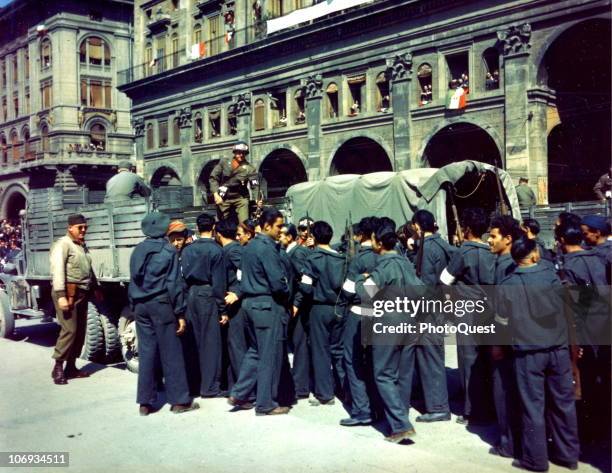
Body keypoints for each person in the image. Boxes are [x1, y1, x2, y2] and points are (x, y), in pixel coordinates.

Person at [495, 236, 579, 472]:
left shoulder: (506, 285)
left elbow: (501, 322)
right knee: (563, 404)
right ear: (533, 255)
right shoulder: (551, 277)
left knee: (532, 407)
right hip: (558, 350)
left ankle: (535, 460)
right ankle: (568, 456)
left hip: (528, 354)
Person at [355, 224, 424, 442]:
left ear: (379, 243)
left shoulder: (383, 267)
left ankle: (401, 425)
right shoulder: (405, 263)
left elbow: (367, 294)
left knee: (383, 374)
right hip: (410, 320)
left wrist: (360, 280)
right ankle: (399, 417)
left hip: (389, 321)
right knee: (403, 374)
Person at [128, 212, 199, 415]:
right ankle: (179, 401)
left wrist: (134, 304)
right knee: (172, 352)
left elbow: (134, 279)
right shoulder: (168, 251)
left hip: (141, 306)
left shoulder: (137, 250)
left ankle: (145, 402)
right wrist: (180, 313)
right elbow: (174, 284)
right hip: (161, 305)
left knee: (147, 352)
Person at [229, 208, 291, 415]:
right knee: (269, 355)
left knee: (255, 352)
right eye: (279, 226)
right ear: (266, 226)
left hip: (249, 305)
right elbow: (277, 281)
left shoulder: (249, 246)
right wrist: (287, 290)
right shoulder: (267, 247)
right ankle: (265, 403)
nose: (281, 230)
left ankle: (239, 392)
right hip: (266, 305)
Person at [440, 207, 496, 425]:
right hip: (489, 308)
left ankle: (471, 409)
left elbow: (445, 279)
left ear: (468, 229)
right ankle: (490, 405)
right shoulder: (491, 250)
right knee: (487, 358)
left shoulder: (463, 252)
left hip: (466, 310)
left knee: (468, 358)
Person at [293, 221, 345, 406]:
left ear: (313, 236)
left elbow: (306, 287)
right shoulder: (341, 258)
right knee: (338, 350)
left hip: (319, 308)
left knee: (321, 351)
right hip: (339, 307)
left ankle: (325, 394)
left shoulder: (312, 258)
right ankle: (344, 388)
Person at [409, 210, 453, 423]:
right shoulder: (441, 243)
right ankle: (434, 401)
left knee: (430, 357)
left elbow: (424, 285)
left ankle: (438, 407)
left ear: (418, 226)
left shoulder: (427, 249)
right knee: (433, 355)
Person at [487, 215, 522, 458]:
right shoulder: (512, 260)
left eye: (493, 236)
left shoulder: (505, 265)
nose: (489, 240)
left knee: (504, 390)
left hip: (507, 338)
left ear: (508, 239)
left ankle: (508, 443)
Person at [339, 216, 380, 427]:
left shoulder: (358, 260)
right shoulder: (385, 256)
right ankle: (378, 407)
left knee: (353, 361)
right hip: (382, 314)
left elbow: (347, 291)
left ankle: (362, 410)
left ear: (361, 235)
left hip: (359, 312)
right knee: (376, 363)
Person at [181, 213, 227, 398]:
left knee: (193, 341)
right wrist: (222, 309)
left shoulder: (187, 250)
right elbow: (218, 284)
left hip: (191, 294)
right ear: (213, 228)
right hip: (208, 295)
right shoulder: (217, 251)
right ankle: (209, 388)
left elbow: (182, 278)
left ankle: (193, 385)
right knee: (210, 343)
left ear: (198, 228)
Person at [49, 214, 98, 384]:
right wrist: (61, 295)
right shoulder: (63, 244)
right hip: (67, 293)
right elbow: (58, 270)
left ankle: (71, 367)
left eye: (85, 227)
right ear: (70, 228)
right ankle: (57, 368)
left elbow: (87, 269)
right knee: (69, 330)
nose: (83, 230)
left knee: (80, 331)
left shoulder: (81, 246)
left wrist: (96, 288)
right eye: (80, 227)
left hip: (81, 292)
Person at [215, 218, 246, 392]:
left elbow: (246, 272)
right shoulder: (228, 249)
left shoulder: (233, 251)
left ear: (218, 234)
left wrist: (237, 292)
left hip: (236, 305)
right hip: (230, 304)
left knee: (237, 347)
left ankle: (243, 390)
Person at [281, 223, 311, 399]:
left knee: (300, 345)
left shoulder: (297, 253)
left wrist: (297, 304)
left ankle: (301, 387)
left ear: (290, 237)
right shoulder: (290, 252)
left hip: (298, 307)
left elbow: (304, 281)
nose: (280, 237)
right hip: (294, 305)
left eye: (283, 235)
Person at [209, 141, 261, 224]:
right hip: (224, 196)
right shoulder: (224, 162)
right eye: (239, 152)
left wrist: (257, 199)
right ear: (234, 152)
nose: (241, 155)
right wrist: (216, 195)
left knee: (244, 222)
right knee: (222, 224)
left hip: (240, 197)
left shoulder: (250, 168)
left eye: (243, 153)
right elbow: (213, 178)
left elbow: (255, 185)